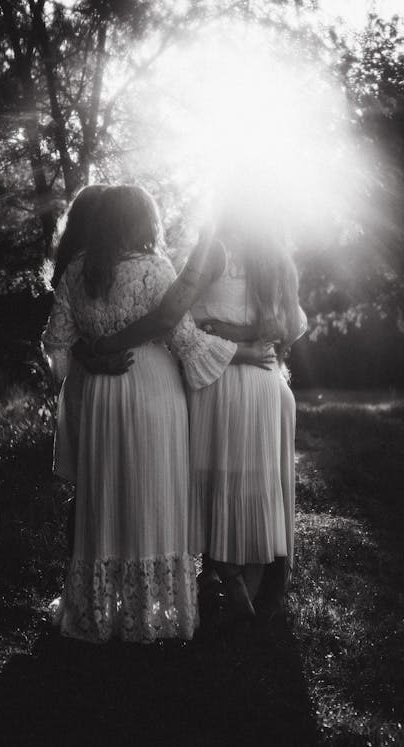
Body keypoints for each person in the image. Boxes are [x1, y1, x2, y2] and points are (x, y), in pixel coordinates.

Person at [42, 184, 266, 643]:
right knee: (155, 494)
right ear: (143, 222)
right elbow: (182, 340)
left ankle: (99, 612)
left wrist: (88, 358)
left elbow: (56, 347)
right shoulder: (154, 267)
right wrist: (240, 353)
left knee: (103, 495)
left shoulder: (78, 271)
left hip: (102, 395)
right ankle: (152, 614)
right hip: (154, 391)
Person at [78, 196, 306, 620]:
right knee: (247, 488)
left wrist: (102, 344)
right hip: (264, 383)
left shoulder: (215, 248)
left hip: (220, 382)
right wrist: (247, 331)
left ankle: (227, 577)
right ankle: (243, 591)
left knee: (212, 483)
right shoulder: (275, 255)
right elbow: (293, 325)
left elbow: (171, 314)